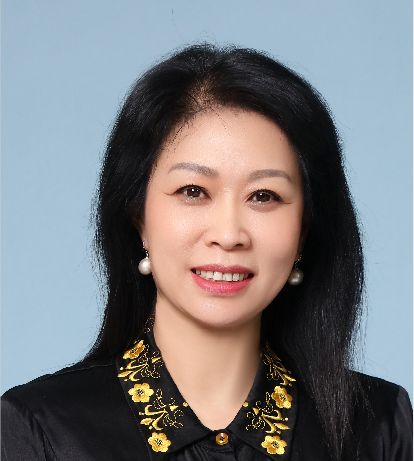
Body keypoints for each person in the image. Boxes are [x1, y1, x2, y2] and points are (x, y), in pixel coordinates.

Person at [2, 44, 412, 461]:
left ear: (304, 230)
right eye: (193, 191)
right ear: (138, 217)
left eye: (264, 196)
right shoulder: (41, 429)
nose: (229, 235)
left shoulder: (379, 426)